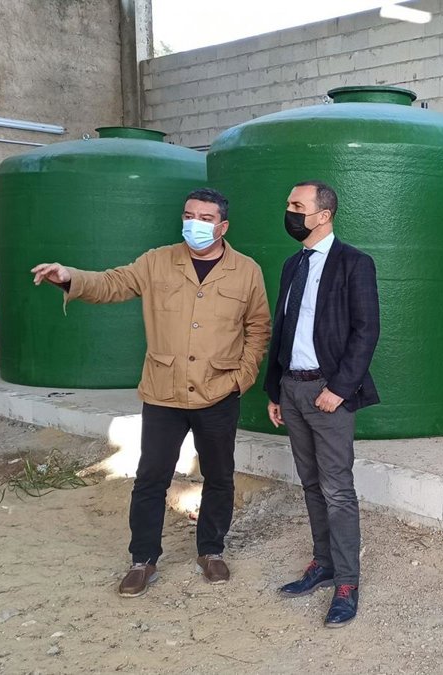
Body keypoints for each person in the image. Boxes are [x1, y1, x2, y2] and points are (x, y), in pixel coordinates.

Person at [30, 187, 271, 597]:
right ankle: (142, 560)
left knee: (219, 477)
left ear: (223, 226)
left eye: (206, 218)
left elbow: (258, 327)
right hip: (164, 392)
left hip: (218, 391)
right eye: (189, 215)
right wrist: (71, 276)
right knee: (150, 478)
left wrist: (241, 377)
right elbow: (113, 283)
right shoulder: (157, 261)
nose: (195, 224)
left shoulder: (246, 270)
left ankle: (211, 550)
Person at [265, 181, 380, 628]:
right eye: (288, 204)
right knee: (311, 483)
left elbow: (366, 330)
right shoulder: (292, 264)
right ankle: (323, 563)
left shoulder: (354, 263)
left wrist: (340, 388)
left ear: (323, 215)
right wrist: (274, 390)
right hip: (292, 390)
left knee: (337, 489)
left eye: (298, 205)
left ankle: (347, 583)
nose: (290, 212)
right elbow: (283, 329)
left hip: (328, 393)